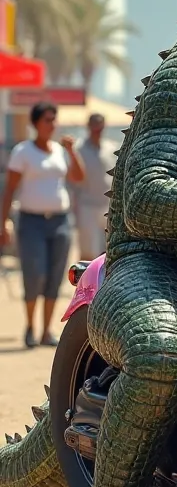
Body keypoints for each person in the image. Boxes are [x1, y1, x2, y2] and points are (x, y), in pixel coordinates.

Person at [1, 102, 85, 348]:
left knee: (55, 276)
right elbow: (10, 189)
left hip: (60, 221)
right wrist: (3, 221)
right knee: (35, 273)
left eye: (54, 119)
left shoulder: (60, 151)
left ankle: (46, 331)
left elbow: (78, 178)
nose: (52, 124)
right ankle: (30, 326)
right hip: (31, 221)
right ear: (36, 123)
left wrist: (71, 151)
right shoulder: (23, 151)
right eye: (47, 119)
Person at [72, 113, 118, 261]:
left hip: (107, 206)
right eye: (94, 126)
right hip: (86, 205)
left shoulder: (111, 148)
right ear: (89, 127)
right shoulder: (79, 149)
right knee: (88, 253)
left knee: (108, 251)